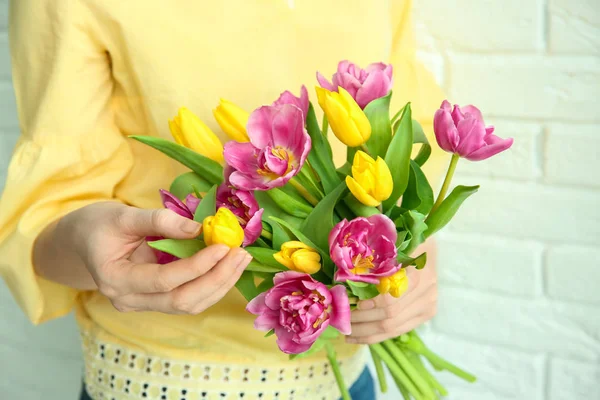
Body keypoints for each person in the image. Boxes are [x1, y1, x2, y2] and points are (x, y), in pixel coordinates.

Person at [0, 1, 444, 399]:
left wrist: (409, 249)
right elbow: (43, 219)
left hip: (345, 380)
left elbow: (401, 135)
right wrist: (87, 243)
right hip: (161, 383)